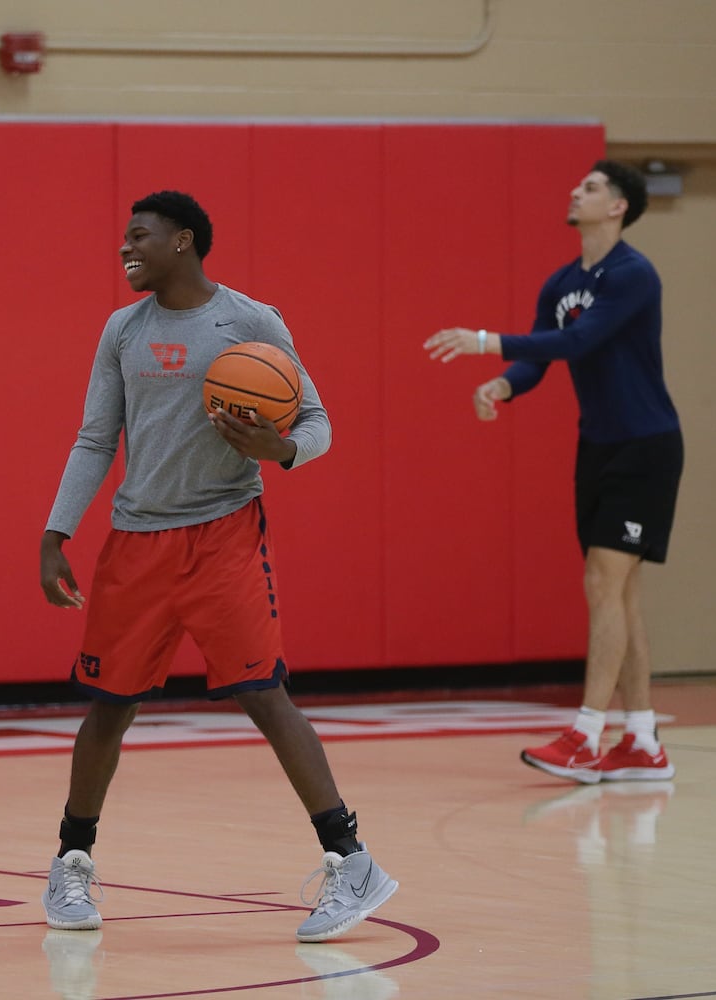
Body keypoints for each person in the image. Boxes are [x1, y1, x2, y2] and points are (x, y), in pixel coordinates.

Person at [37, 190, 399, 943]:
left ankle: (351, 859)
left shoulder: (250, 322)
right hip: (136, 540)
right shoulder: (122, 329)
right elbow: (95, 438)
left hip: (223, 534)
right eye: (124, 236)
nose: (125, 247)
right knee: (108, 707)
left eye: (140, 235)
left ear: (185, 241)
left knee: (266, 695)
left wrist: (282, 450)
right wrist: (56, 530)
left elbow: (317, 421)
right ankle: (72, 860)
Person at [424, 159, 682, 784]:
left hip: (645, 444)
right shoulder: (560, 281)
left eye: (591, 187)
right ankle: (642, 740)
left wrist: (484, 341)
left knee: (603, 581)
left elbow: (577, 344)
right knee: (619, 593)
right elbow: (542, 358)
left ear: (618, 206)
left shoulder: (633, 275)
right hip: (597, 445)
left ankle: (587, 733)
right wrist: (505, 386)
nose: (576, 190)